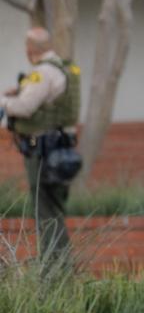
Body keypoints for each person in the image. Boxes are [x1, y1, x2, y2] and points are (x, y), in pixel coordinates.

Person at [0, 27, 82, 260]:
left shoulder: (43, 72)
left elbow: (25, 107)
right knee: (54, 212)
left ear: (30, 49)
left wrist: (4, 100)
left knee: (45, 214)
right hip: (63, 150)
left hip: (44, 153)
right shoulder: (65, 68)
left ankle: (53, 274)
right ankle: (60, 271)